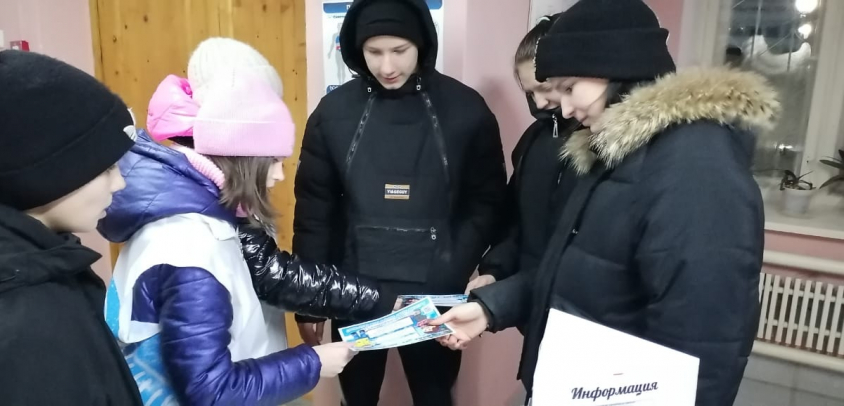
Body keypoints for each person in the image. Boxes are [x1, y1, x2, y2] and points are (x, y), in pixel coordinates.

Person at [432, 1, 779, 405]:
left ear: (616, 67)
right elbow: (579, 274)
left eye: (569, 88)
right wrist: (489, 308)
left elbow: (705, 345)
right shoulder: (614, 152)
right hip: (573, 383)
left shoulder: (697, 166)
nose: (564, 109)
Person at [98, 73, 360, 405]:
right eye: (273, 161)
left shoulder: (197, 221)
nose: (280, 174)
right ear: (243, 161)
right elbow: (213, 392)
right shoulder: (189, 245)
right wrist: (314, 362)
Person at [293, 0, 507, 404]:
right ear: (356, 49)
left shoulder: (465, 109)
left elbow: (488, 201)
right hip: (353, 288)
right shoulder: (333, 113)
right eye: (374, 52)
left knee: (434, 394)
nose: (387, 65)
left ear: (421, 44)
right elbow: (315, 212)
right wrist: (309, 301)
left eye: (399, 50)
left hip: (435, 290)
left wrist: (453, 264)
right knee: (357, 396)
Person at [0, 21, 143, 405]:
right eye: (104, 168)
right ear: (42, 174)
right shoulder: (27, 332)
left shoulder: (31, 264)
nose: (119, 183)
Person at [464, 14, 579, 295]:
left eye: (545, 88)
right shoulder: (532, 140)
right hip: (526, 297)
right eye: (529, 93)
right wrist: (494, 271)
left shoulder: (605, 144)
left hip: (571, 303)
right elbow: (514, 222)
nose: (539, 102)